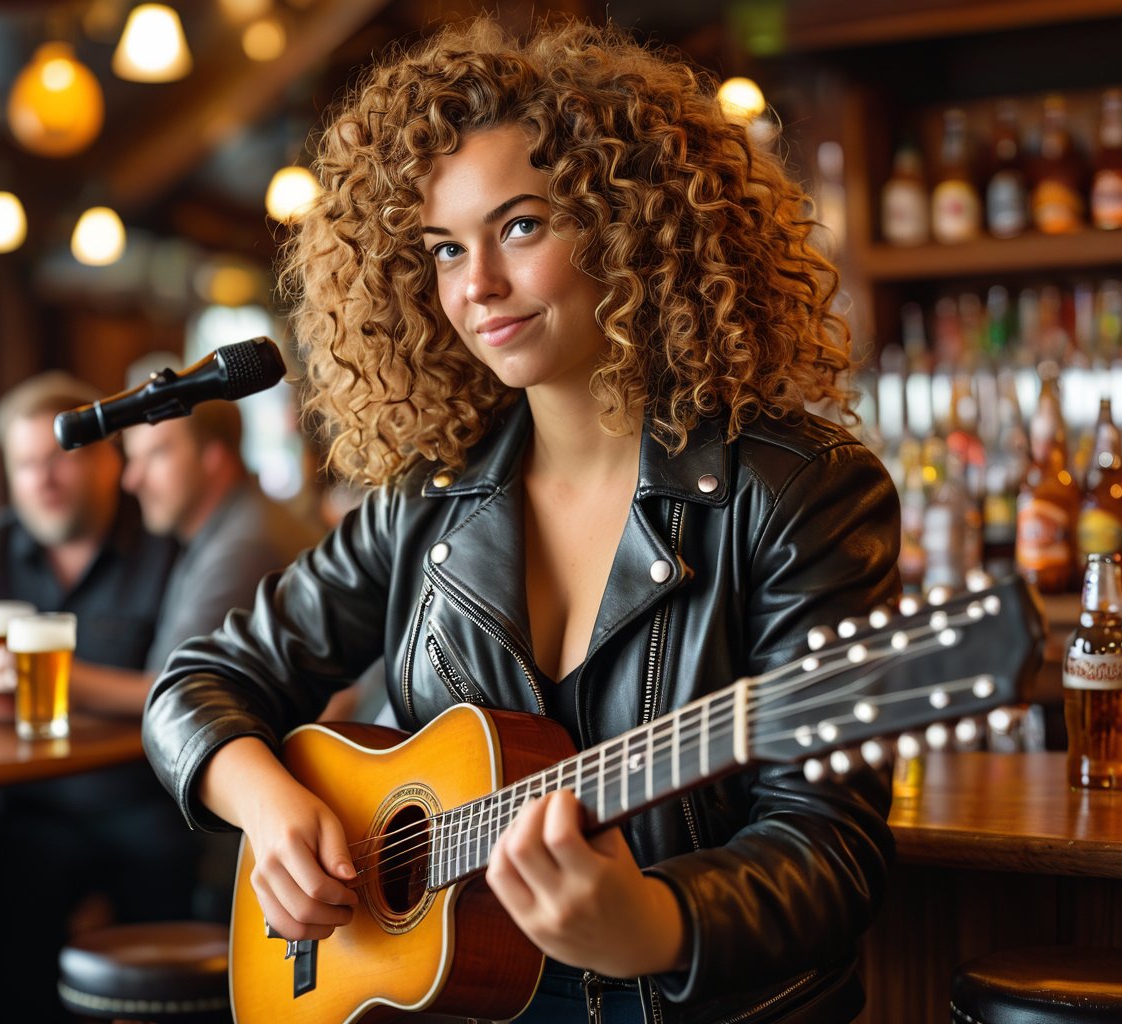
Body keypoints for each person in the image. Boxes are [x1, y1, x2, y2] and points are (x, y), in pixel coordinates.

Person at [144, 18, 900, 1024]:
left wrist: (654, 923)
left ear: (632, 223)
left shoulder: (800, 491)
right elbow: (197, 685)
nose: (476, 287)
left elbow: (830, 847)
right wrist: (270, 809)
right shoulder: (428, 499)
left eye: (521, 226)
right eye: (446, 248)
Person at [0, 371, 191, 1022]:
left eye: (59, 459)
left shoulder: (164, 547)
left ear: (109, 458)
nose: (42, 479)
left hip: (134, 794)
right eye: (25, 465)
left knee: (167, 866)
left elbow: (185, 684)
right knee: (0, 888)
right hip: (25, 804)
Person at [122, 392, 323, 674]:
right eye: (133, 459)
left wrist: (69, 680)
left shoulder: (245, 544)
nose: (132, 480)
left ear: (213, 456)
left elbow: (171, 685)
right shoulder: (234, 522)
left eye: (157, 454)